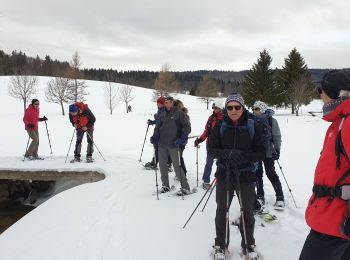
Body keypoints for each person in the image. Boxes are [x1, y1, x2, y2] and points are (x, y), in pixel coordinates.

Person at [299, 70, 350, 260]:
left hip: (335, 224)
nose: (320, 96)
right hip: (332, 219)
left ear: (334, 93)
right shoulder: (340, 121)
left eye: (321, 90)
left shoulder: (348, 123)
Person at [208, 93, 265, 260]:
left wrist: (244, 156)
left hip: (246, 175)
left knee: (247, 211)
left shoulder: (253, 125)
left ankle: (248, 245)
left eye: (237, 107)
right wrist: (228, 153)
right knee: (221, 211)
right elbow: (211, 150)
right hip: (225, 174)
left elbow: (262, 153)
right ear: (226, 108)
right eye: (230, 107)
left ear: (242, 107)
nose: (233, 110)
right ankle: (220, 245)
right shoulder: (219, 125)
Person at [150, 96, 192, 196]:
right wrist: (155, 136)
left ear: (172, 103)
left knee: (177, 167)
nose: (167, 104)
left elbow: (187, 127)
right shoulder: (162, 114)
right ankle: (165, 185)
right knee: (162, 166)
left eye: (169, 102)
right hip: (161, 144)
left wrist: (182, 138)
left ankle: (185, 187)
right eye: (166, 102)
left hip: (173, 144)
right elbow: (157, 127)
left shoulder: (179, 113)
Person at [251, 100, 284, 209]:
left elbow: (277, 136)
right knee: (257, 174)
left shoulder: (272, 121)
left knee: (271, 173)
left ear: (263, 109)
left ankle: (280, 197)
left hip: (269, 152)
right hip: (256, 152)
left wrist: (277, 150)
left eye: (257, 109)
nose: (254, 111)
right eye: (253, 109)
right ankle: (260, 196)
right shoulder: (252, 120)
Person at [195, 101, 223, 189]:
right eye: (213, 108)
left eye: (216, 108)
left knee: (222, 164)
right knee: (209, 163)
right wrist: (200, 139)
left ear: (220, 108)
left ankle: (223, 182)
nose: (215, 110)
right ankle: (206, 181)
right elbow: (207, 130)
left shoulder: (225, 118)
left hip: (221, 145)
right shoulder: (211, 118)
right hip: (210, 144)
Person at [144, 96, 172, 171]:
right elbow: (158, 121)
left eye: (158, 103)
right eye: (157, 103)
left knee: (158, 148)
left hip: (161, 133)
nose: (157, 104)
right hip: (161, 132)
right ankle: (168, 164)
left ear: (163, 104)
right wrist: (152, 122)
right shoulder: (161, 110)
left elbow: (161, 122)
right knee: (163, 148)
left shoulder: (164, 111)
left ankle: (154, 163)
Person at [174, 99, 189, 176]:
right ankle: (180, 172)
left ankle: (183, 173)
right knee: (177, 156)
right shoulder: (176, 115)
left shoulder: (184, 116)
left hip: (181, 140)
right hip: (176, 139)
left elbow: (187, 129)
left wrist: (181, 139)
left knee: (179, 156)